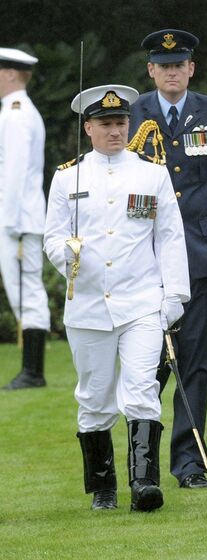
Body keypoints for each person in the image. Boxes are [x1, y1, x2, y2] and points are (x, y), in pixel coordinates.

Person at [43, 84, 190, 512]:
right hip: (88, 304)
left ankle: (144, 483)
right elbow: (51, 237)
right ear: (88, 127)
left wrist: (174, 294)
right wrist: (63, 254)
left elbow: (170, 237)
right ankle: (103, 487)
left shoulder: (151, 174)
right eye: (105, 124)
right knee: (94, 396)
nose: (114, 131)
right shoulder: (67, 177)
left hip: (141, 299)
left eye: (121, 122)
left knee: (142, 388)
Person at [129, 29, 207, 489]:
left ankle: (190, 463)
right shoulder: (131, 113)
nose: (173, 71)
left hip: (200, 255)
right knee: (148, 364)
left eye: (180, 64)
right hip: (145, 259)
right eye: (164, 64)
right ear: (151, 70)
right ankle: (143, 463)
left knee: (195, 360)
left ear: (191, 69)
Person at [0, 48, 50, 390]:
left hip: (18, 219)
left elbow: (15, 172)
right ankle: (31, 369)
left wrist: (11, 223)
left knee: (26, 292)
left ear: (9, 73)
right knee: (25, 291)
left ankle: (33, 372)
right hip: (21, 217)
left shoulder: (16, 113)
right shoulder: (16, 110)